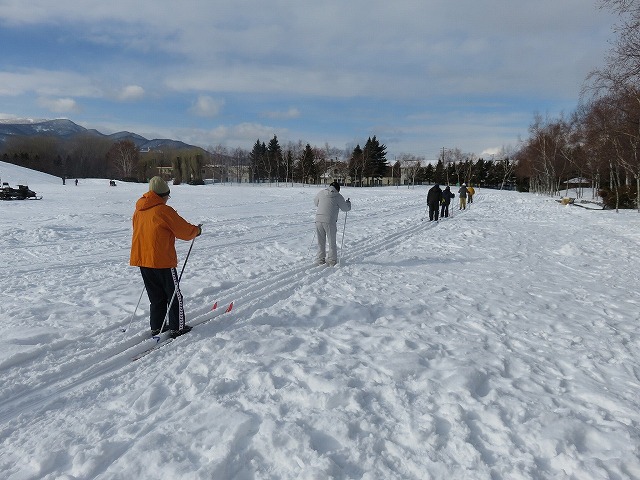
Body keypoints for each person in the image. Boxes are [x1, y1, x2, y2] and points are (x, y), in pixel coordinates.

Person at [130, 176, 202, 338]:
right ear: (162, 195)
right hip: (161, 260)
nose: (167, 199)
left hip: (142, 259)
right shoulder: (163, 211)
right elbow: (184, 231)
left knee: (156, 296)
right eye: (167, 196)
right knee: (174, 295)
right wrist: (196, 231)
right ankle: (177, 328)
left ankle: (157, 327)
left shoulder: (139, 210)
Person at [314, 181, 351, 266]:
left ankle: (320, 259)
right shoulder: (338, 196)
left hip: (318, 219)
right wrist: (348, 204)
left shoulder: (321, 192)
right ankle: (332, 260)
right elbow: (345, 208)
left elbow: (316, 203)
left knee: (321, 241)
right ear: (338, 189)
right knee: (331, 242)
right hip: (329, 221)